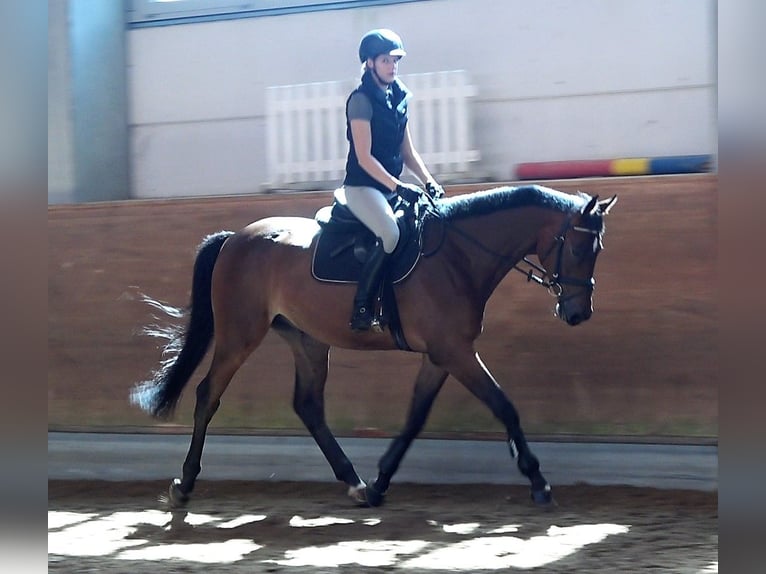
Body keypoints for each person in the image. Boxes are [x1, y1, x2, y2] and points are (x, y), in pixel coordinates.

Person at [342, 28, 445, 332]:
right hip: (363, 187)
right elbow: (364, 158)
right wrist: (399, 186)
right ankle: (362, 306)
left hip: (389, 187)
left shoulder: (399, 96)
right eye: (386, 60)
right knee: (390, 233)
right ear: (370, 64)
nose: (392, 66)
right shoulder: (360, 101)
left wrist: (429, 183)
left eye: (395, 60)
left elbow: (408, 152)